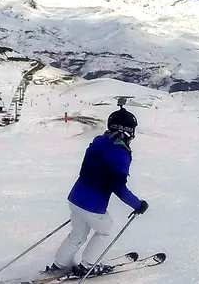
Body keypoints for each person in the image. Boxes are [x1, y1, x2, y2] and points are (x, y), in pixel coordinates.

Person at [46, 108, 150, 279]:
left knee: (78, 234)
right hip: (92, 205)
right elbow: (119, 187)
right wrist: (138, 205)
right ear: (128, 131)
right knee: (106, 231)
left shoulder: (99, 141)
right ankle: (87, 266)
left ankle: (59, 265)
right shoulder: (120, 154)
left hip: (75, 198)